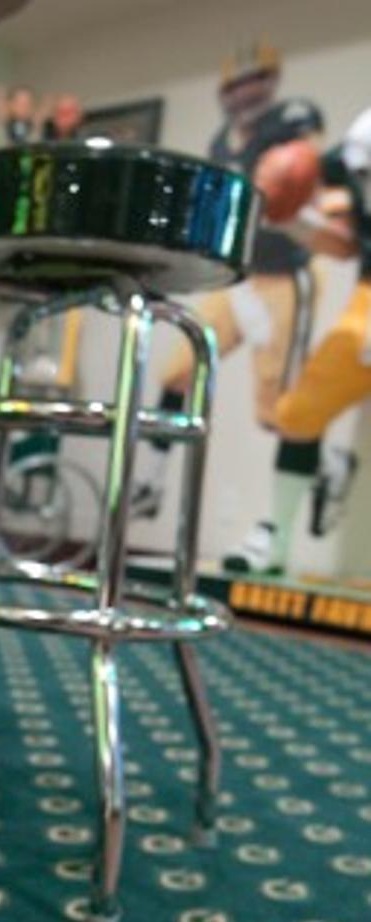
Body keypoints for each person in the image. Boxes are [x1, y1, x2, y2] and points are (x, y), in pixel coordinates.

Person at [131, 41, 327, 575]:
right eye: (235, 83)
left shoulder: (294, 121)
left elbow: (310, 179)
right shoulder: (223, 140)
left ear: (271, 80)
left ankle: (275, 531)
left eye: (254, 80)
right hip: (236, 279)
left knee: (283, 412)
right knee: (176, 372)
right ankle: (149, 480)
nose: (245, 91)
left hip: (285, 279)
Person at [267, 107, 371, 533]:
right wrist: (291, 219)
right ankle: (278, 549)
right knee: (297, 414)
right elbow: (345, 246)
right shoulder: (344, 160)